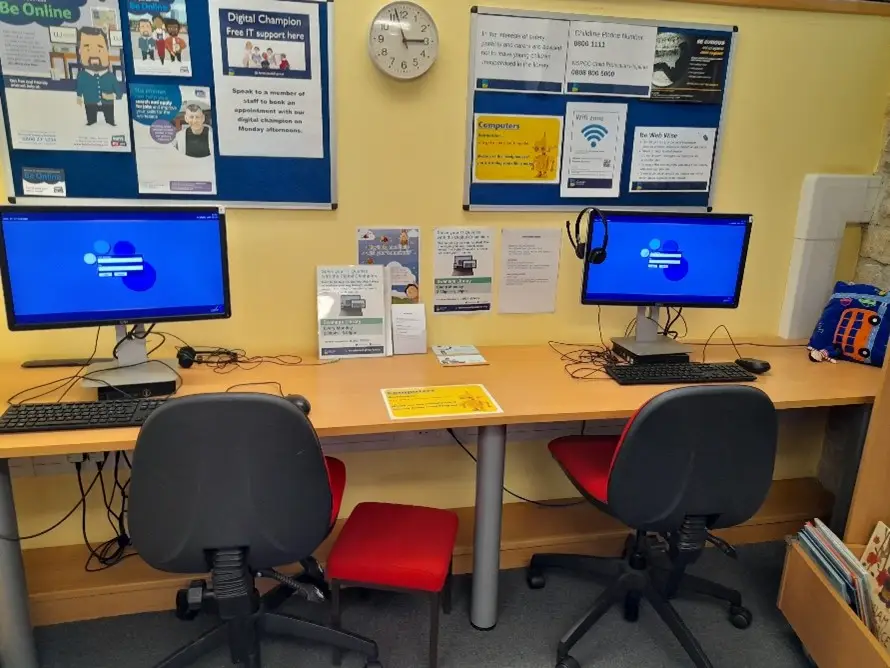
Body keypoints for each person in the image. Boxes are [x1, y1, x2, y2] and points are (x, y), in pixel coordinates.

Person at [75, 27, 122, 126]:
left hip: (108, 104)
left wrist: (111, 96)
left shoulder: (110, 76)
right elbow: (79, 88)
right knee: (91, 123)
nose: (94, 53)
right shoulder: (82, 76)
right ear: (79, 51)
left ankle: (110, 121)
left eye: (100, 48)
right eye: (87, 48)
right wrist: (79, 97)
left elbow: (119, 93)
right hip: (89, 103)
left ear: (107, 51)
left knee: (110, 122)